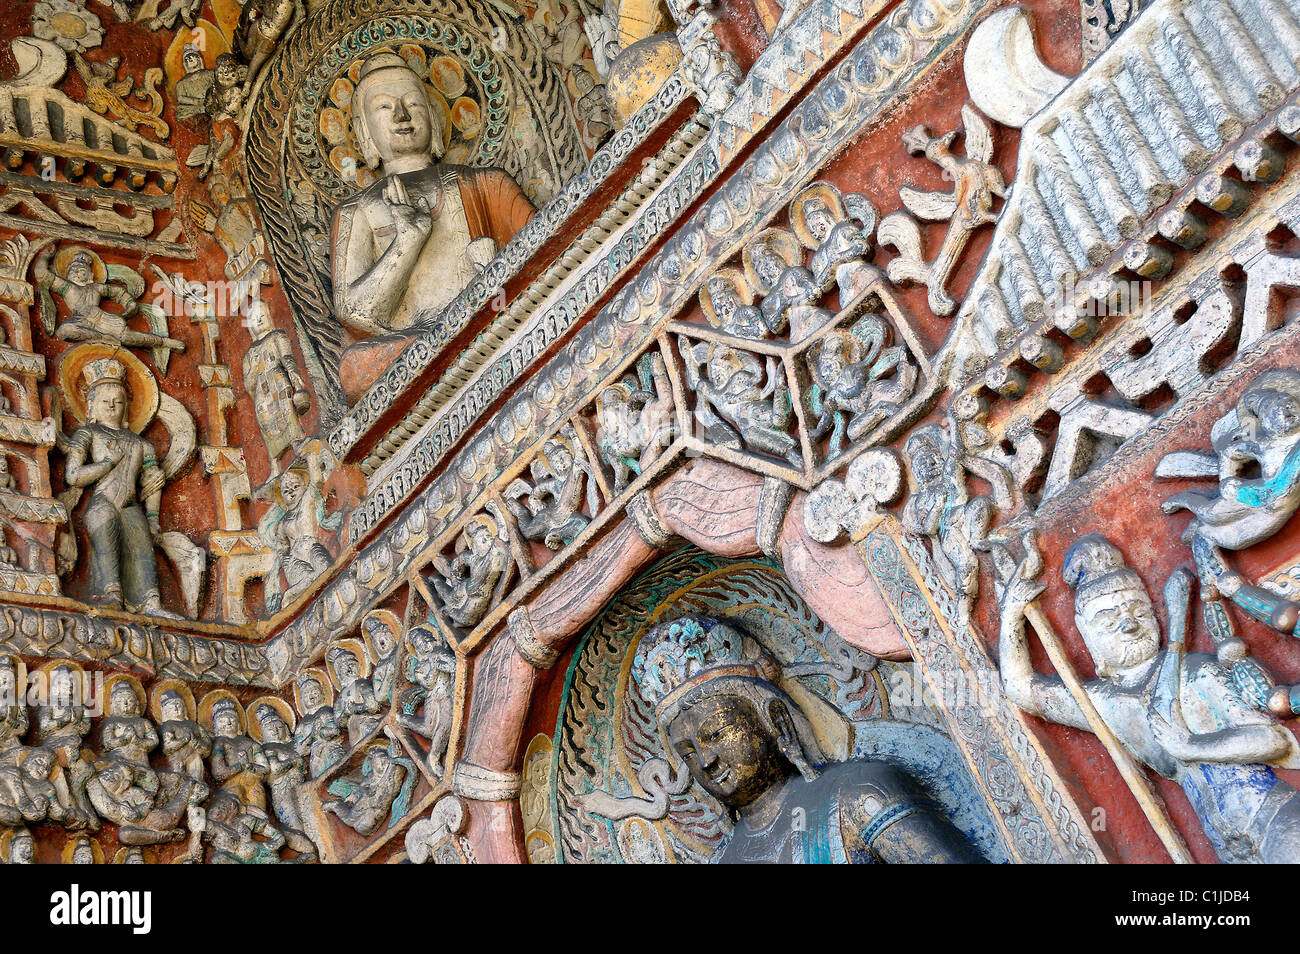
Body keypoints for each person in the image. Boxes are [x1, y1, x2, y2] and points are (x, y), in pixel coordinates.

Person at [633, 615, 983, 863]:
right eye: (688, 752)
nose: (707, 760)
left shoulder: (860, 796)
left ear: (775, 719)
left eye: (718, 733)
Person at [330, 50, 534, 403]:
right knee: (355, 366)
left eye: (413, 103)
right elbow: (357, 312)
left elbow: (548, 255)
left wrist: (498, 273)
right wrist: (407, 241)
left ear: (436, 119)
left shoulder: (486, 183)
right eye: (383, 107)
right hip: (416, 343)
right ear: (365, 132)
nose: (401, 115)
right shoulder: (357, 211)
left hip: (486, 316)